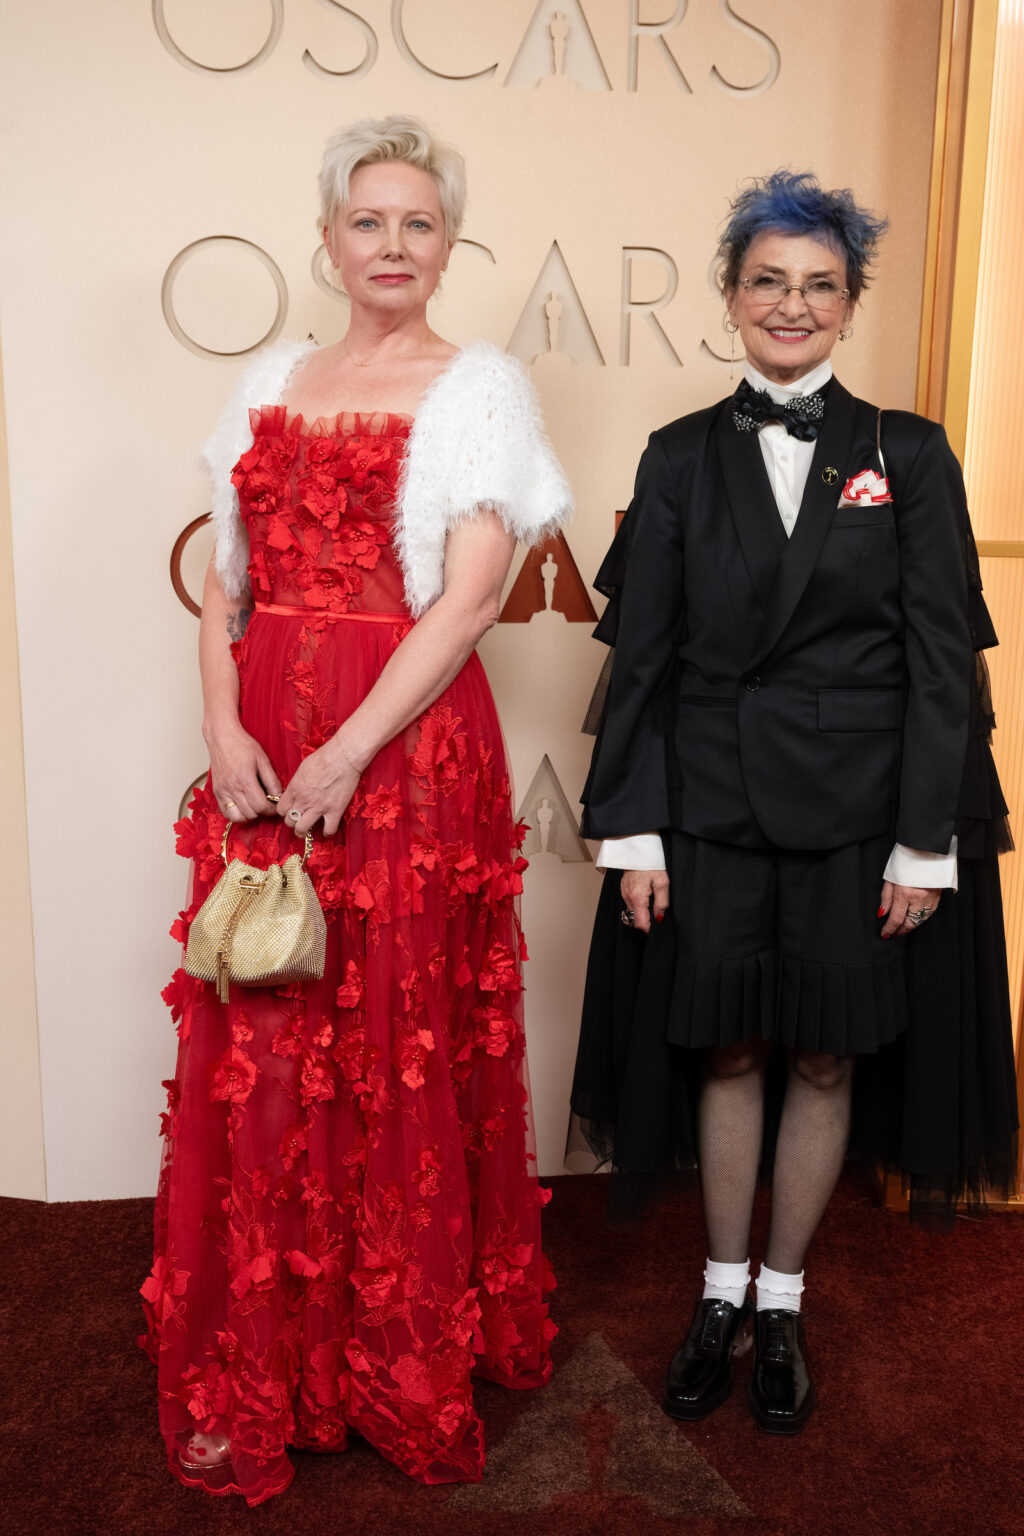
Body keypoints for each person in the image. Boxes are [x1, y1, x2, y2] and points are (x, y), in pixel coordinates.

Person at [141, 116, 570, 1503]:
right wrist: (225, 726)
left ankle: (389, 1361)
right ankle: (278, 1354)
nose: (393, 246)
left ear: (451, 244)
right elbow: (227, 585)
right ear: (326, 236)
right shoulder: (270, 376)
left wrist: (346, 756)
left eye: (420, 224)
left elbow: (466, 599)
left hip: (406, 746)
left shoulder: (480, 385)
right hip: (266, 735)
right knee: (270, 1025)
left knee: (392, 1037)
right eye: (368, 221)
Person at [573, 171, 1017, 1436]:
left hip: (858, 818)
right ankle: (716, 1293)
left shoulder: (908, 453)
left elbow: (942, 662)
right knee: (731, 1047)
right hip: (708, 810)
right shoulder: (672, 457)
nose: (791, 303)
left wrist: (923, 844)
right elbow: (642, 657)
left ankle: (782, 1300)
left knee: (822, 1055)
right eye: (767, 280)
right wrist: (637, 827)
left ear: (847, 307)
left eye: (819, 285)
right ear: (728, 297)